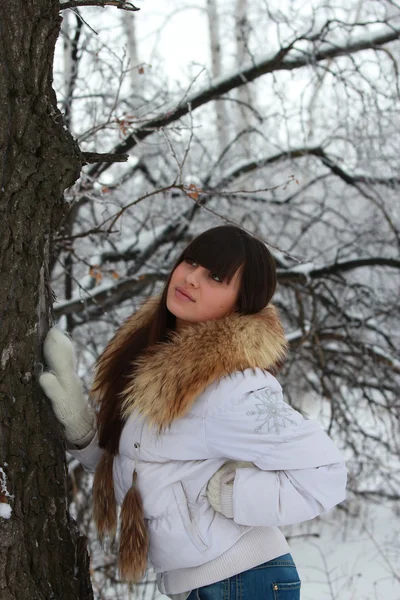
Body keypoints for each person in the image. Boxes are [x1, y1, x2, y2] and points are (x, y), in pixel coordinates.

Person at [39, 225, 346, 600]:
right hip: (212, 584)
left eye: (215, 277)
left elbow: (326, 474)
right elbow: (140, 466)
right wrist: (81, 426)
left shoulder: (234, 388)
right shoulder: (155, 365)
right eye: (192, 262)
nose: (191, 279)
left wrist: (233, 495)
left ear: (241, 302)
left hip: (244, 580)